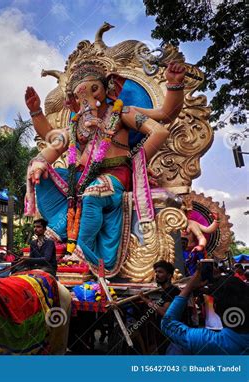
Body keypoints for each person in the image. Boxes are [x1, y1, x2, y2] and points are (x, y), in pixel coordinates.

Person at [24, 61, 186, 273]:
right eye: (82, 95)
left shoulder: (122, 112)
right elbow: (53, 142)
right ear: (75, 99)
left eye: (94, 90)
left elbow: (162, 124)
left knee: (93, 193)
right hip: (81, 177)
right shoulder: (76, 124)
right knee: (42, 175)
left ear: (108, 88)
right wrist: (38, 161)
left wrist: (136, 161)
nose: (89, 99)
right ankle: (57, 236)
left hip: (116, 174)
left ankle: (82, 253)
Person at [161, 264, 249, 355]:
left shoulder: (208, 341)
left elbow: (167, 323)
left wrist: (189, 286)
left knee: (176, 348)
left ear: (214, 307)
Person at [139, 260, 191, 354]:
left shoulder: (172, 291)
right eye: (156, 272)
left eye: (160, 272)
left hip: (172, 340)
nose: (157, 274)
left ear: (169, 275)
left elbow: (165, 313)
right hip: (165, 338)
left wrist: (147, 301)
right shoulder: (167, 291)